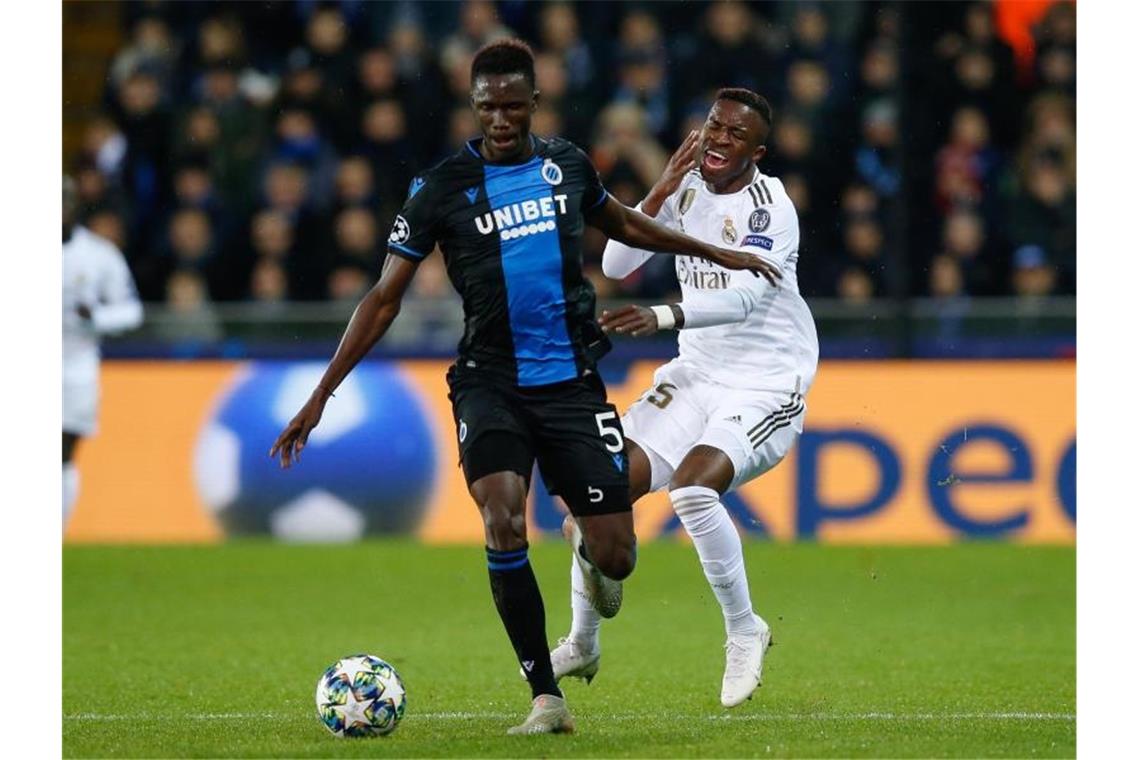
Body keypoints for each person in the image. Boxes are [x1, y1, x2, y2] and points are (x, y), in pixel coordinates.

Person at [269, 40, 780, 736]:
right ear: (473, 107)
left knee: (616, 557)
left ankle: (589, 578)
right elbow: (383, 298)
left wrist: (715, 251)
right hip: (490, 381)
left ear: (534, 102)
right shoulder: (439, 187)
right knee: (503, 515)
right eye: (489, 108)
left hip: (571, 382)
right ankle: (546, 698)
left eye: (514, 106)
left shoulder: (565, 163)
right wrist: (322, 394)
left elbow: (624, 226)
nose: (502, 120)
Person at [550, 89, 819, 708]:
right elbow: (616, 262)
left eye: (734, 134)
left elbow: (747, 297)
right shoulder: (688, 189)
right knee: (601, 491)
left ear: (757, 150)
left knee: (694, 488)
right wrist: (660, 190)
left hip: (766, 378)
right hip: (699, 371)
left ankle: (744, 627)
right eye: (714, 126)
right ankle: (584, 641)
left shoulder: (770, 208)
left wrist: (666, 313)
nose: (718, 140)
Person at [62, 176, 144, 527]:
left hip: (75, 369)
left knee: (60, 456)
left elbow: (132, 310)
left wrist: (95, 317)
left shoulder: (99, 254)